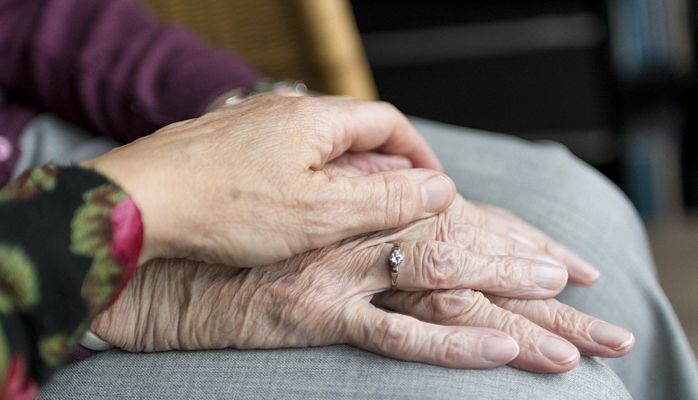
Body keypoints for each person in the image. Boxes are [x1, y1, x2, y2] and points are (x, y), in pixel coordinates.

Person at [0, 1, 696, 400]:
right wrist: (133, 287)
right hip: (25, 312)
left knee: (579, 216)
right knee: (524, 389)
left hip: (45, 135)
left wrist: (246, 115)